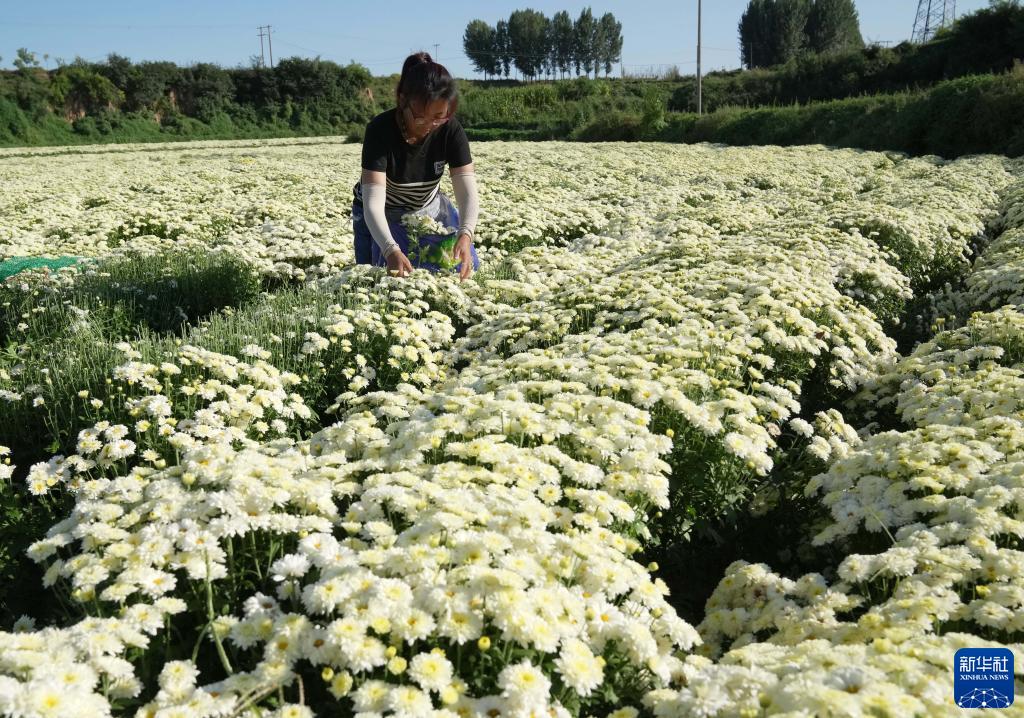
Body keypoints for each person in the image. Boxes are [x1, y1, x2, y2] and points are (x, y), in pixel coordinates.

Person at [352, 52, 480, 280]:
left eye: (439, 116)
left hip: (427, 208)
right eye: (421, 118)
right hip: (381, 213)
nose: (430, 126)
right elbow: (374, 205)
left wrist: (466, 234)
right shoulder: (380, 130)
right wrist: (390, 249)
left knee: (453, 268)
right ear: (403, 101)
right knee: (378, 279)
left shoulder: (450, 129)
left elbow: (467, 191)